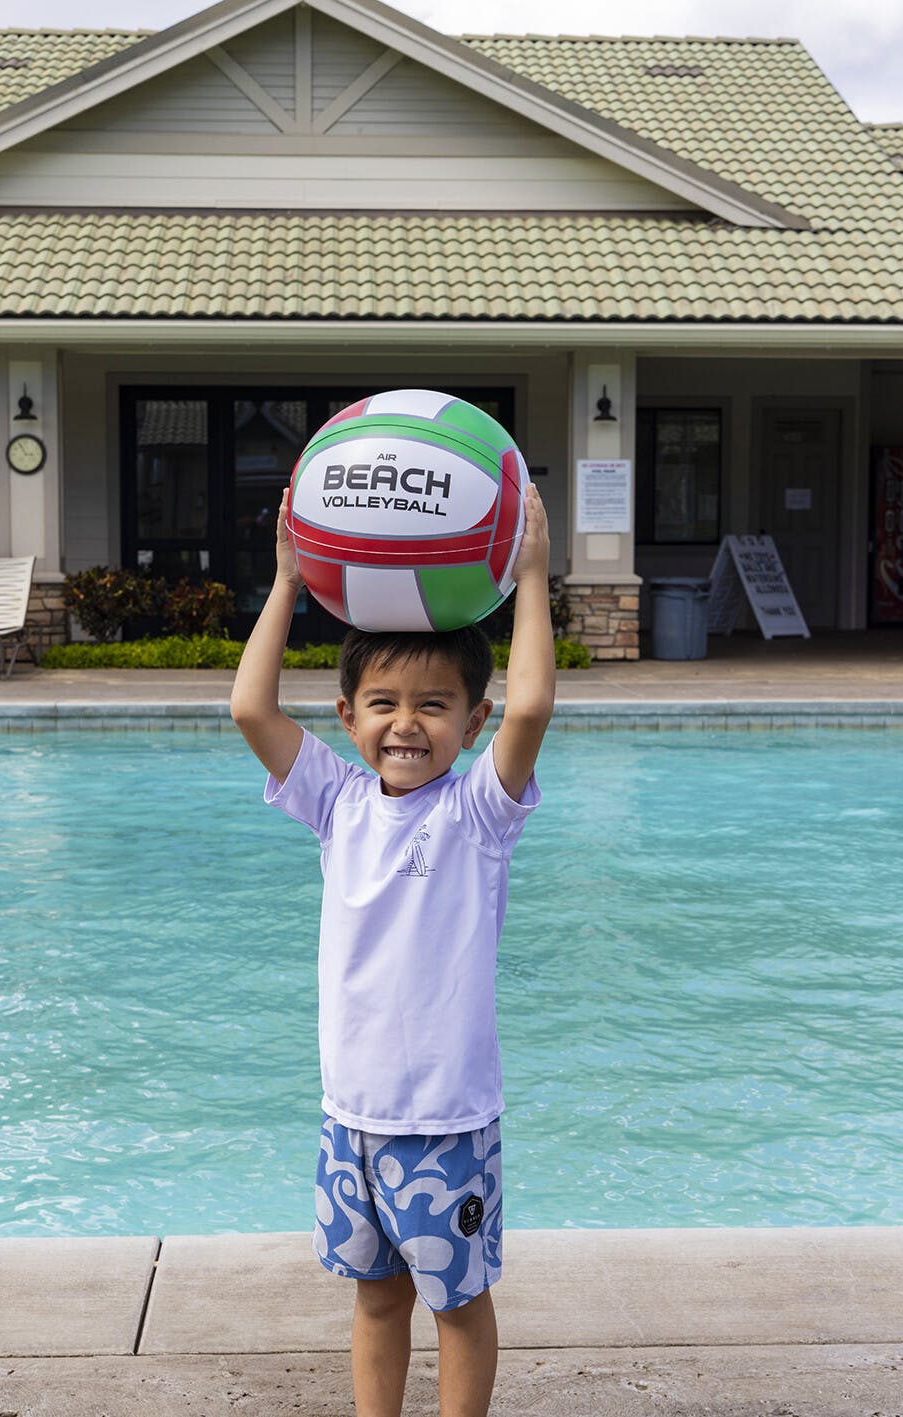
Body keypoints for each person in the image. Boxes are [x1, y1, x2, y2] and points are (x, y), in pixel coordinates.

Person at [230, 480, 555, 1417]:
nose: (406, 722)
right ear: (347, 716)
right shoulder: (337, 802)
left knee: (457, 1304)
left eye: (433, 704)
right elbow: (250, 709)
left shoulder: (476, 813)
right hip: (351, 1116)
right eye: (382, 702)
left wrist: (532, 575)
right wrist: (287, 580)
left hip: (444, 1119)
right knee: (375, 1299)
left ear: (471, 721)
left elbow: (531, 708)